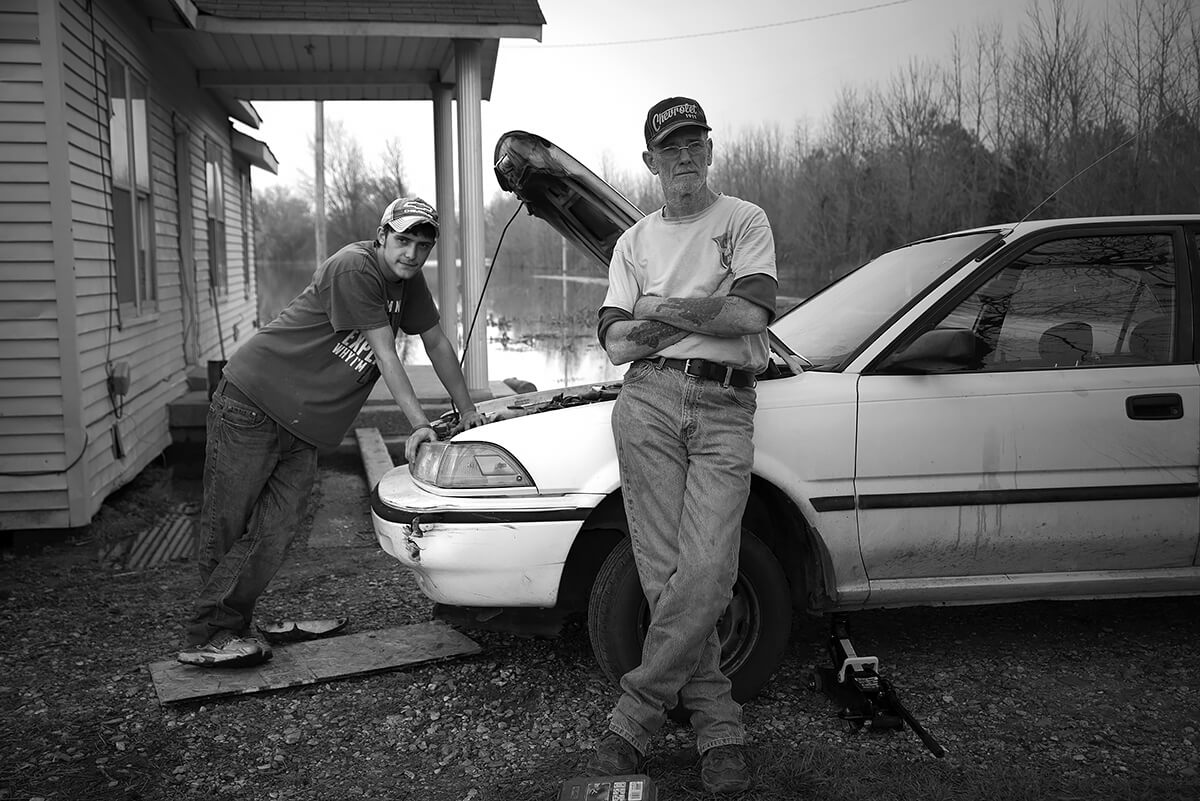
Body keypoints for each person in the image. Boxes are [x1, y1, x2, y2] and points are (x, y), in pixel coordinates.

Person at [178, 196, 485, 668]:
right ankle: (209, 634)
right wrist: (420, 424)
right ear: (382, 235)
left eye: (423, 246)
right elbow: (385, 354)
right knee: (227, 522)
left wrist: (468, 411)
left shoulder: (409, 282)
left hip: (302, 425)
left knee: (277, 527)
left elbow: (437, 341)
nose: (412, 254)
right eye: (403, 241)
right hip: (251, 403)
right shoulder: (353, 268)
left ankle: (232, 623)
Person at [588, 98, 778, 794]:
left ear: (710, 149)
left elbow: (751, 313)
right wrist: (705, 307)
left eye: (694, 142)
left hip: (727, 405)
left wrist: (653, 306)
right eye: (670, 148)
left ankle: (635, 714)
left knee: (707, 572)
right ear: (650, 162)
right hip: (648, 402)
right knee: (664, 574)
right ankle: (719, 729)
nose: (684, 157)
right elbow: (615, 344)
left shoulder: (744, 220)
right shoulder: (633, 242)